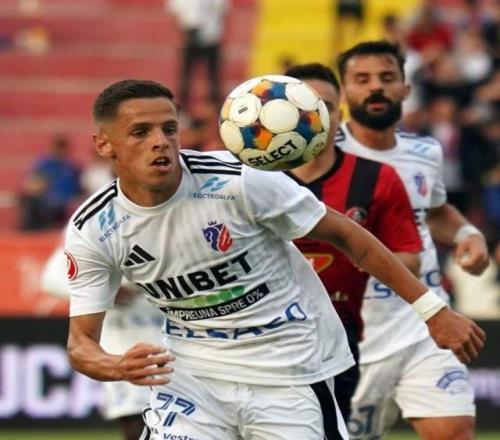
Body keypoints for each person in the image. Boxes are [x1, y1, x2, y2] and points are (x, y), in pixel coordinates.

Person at [64, 79, 485, 440]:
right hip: (193, 376)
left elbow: (349, 236)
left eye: (169, 129)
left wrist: (432, 311)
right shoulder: (94, 228)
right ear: (104, 144)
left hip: (289, 367)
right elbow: (81, 344)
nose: (160, 141)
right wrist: (115, 366)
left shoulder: (240, 181)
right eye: (140, 132)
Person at [335, 40, 490, 440]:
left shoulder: (425, 151)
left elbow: (434, 212)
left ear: (405, 89)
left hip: (423, 319)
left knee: (453, 431)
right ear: (343, 93)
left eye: (387, 78)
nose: (376, 87)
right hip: (352, 332)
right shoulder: (325, 157)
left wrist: (467, 233)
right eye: (362, 79)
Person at [283, 62, 423, 422]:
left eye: (326, 107)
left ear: (340, 114)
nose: (315, 117)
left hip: (338, 334)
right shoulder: (249, 179)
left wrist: (367, 256)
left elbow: (410, 257)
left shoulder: (376, 177)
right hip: (256, 334)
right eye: (303, 108)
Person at [41, 243, 164, 440]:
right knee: (134, 418)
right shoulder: (91, 228)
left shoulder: (173, 228)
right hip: (120, 341)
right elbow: (51, 279)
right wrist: (104, 292)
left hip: (169, 334)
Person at [168, 0, 228, 109]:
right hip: (189, 37)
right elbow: (175, 14)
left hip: (211, 38)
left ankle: (215, 105)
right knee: (186, 75)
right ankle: (183, 105)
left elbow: (223, 12)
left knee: (213, 77)